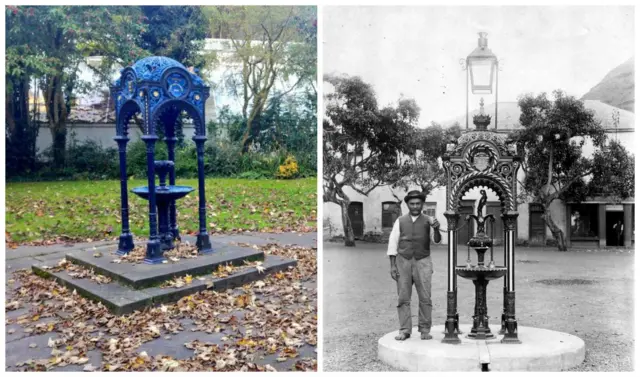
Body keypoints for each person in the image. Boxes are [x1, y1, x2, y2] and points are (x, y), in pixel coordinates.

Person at [387, 190, 441, 341]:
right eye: (412, 203)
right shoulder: (400, 221)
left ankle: (424, 329)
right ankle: (405, 330)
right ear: (407, 204)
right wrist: (392, 266)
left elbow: (436, 240)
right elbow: (393, 243)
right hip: (403, 260)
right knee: (403, 297)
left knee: (425, 296)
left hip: (423, 261)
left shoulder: (429, 220)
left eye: (418, 203)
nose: (415, 206)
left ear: (422, 204)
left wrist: (436, 228)